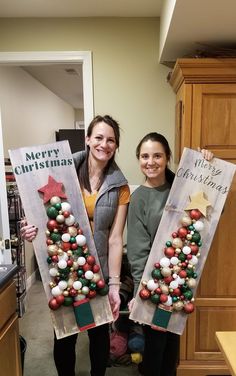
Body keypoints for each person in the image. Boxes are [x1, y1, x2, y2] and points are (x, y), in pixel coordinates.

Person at [20, 115, 130, 376]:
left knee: (99, 336)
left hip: (97, 271)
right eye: (99, 137)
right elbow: (41, 213)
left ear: (116, 145)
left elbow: (115, 239)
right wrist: (31, 229)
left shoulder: (120, 186)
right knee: (65, 335)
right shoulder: (61, 173)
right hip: (62, 269)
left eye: (111, 140)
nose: (104, 144)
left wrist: (114, 284)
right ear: (88, 139)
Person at [126, 132, 213, 376]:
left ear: (167, 158)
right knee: (155, 348)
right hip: (155, 286)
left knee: (171, 346)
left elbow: (215, 208)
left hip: (182, 281)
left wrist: (206, 167)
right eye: (144, 156)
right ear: (138, 159)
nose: (150, 161)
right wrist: (139, 294)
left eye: (157, 155)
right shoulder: (138, 199)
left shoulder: (184, 189)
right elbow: (136, 252)